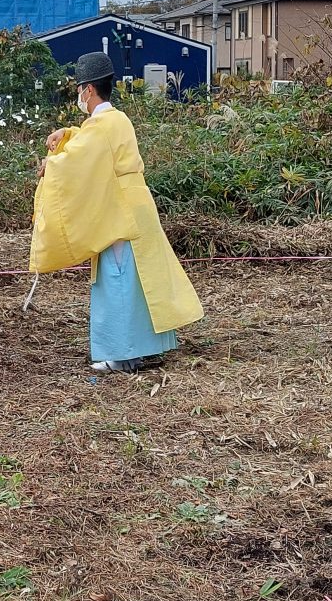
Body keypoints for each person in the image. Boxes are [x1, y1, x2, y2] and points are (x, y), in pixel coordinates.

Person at [30, 51, 203, 374]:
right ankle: (144, 347)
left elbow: (79, 160)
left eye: (79, 89)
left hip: (119, 209)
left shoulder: (101, 125)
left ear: (89, 90)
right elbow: (89, 143)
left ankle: (122, 355)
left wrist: (49, 166)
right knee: (141, 280)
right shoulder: (116, 119)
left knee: (118, 279)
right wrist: (67, 133)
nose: (79, 96)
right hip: (135, 205)